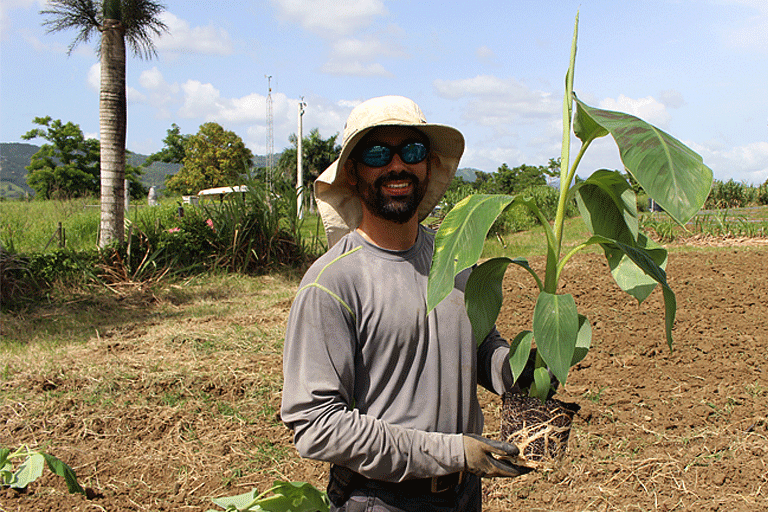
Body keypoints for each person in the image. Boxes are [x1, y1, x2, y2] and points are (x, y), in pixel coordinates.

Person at [281, 96, 531, 512]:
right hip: (381, 498)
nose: (396, 165)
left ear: (428, 166)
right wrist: (450, 452)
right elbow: (316, 426)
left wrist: (518, 372)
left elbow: (482, 344)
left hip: (465, 494)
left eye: (411, 150)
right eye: (377, 153)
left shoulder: (454, 257)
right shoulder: (333, 284)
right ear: (355, 175)